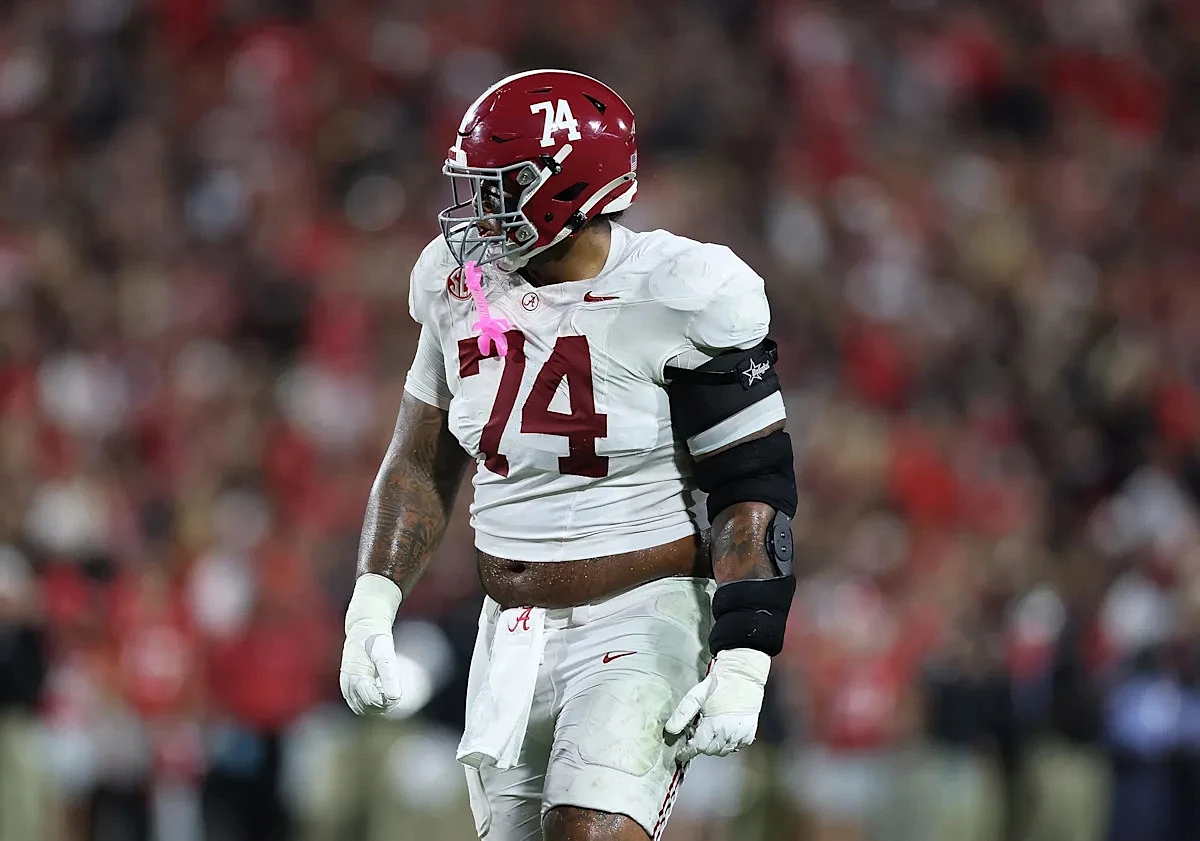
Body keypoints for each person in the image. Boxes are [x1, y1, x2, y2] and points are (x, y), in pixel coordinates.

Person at [338, 69, 798, 841]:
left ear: (567, 187)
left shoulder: (681, 290)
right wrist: (371, 606)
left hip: (641, 612)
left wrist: (746, 655)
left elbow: (752, 488)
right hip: (510, 632)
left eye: (501, 187)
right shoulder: (458, 284)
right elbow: (419, 461)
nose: (478, 210)